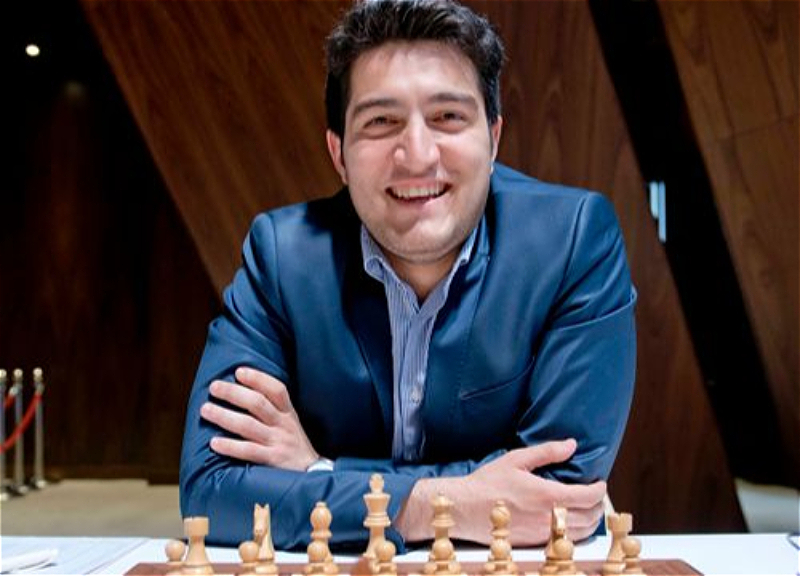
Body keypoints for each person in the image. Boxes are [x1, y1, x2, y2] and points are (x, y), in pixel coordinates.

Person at [180, 0, 636, 552]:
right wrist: (438, 504)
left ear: (493, 139)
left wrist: (323, 471)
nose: (417, 156)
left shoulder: (573, 240)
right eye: (381, 122)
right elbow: (211, 493)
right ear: (338, 154)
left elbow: (561, 493)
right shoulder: (281, 255)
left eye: (448, 117)